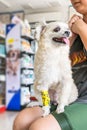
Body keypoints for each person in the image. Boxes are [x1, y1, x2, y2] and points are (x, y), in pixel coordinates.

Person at [13, 0, 87, 130]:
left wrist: (82, 28)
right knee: (21, 121)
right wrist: (71, 37)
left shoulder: (80, 28)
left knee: (40, 127)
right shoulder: (71, 31)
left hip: (84, 100)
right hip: (63, 95)